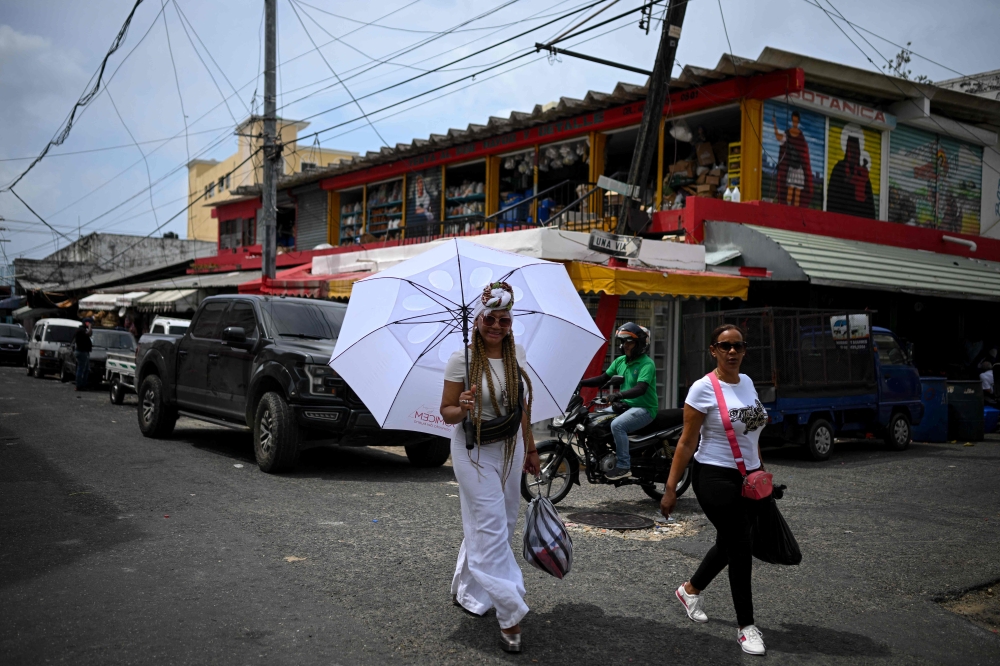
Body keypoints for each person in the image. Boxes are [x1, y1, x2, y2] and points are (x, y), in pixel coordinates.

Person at [439, 282, 539, 654]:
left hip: (510, 448)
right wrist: (462, 405)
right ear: (478, 321)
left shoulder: (519, 357)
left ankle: (468, 592)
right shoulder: (459, 360)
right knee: (490, 525)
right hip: (472, 449)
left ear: (511, 324)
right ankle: (509, 612)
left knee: (502, 520)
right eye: (490, 319)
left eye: (504, 320)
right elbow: (446, 410)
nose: (497, 326)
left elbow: (522, 408)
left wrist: (530, 447)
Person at [660, 324, 769, 656]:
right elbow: (686, 441)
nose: (732, 352)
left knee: (730, 542)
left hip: (749, 478)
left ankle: (690, 590)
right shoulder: (702, 388)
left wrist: (760, 469)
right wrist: (670, 488)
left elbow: (752, 433)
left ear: (744, 350)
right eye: (725, 346)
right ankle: (746, 626)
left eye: (738, 346)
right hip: (713, 476)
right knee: (740, 544)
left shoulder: (748, 383)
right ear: (713, 351)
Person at [578, 323, 658, 480]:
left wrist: (618, 395)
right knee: (592, 420)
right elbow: (603, 378)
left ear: (640, 344)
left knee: (617, 425)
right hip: (625, 406)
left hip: (644, 408)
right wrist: (581, 382)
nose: (625, 346)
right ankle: (601, 455)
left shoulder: (647, 364)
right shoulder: (621, 361)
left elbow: (641, 388)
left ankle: (623, 465)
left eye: (629, 342)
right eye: (623, 342)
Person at [773, 110, 814, 208]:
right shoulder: (787, 133)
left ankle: (796, 212)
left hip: (799, 168)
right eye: (793, 121)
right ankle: (788, 209)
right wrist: (774, 124)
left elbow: (804, 154)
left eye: (796, 121)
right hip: (791, 167)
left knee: (798, 192)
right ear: (792, 120)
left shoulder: (801, 136)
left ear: (798, 122)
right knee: (790, 190)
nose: (795, 123)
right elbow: (779, 138)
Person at [73, 320, 93, 391]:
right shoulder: (81, 330)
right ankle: (79, 385)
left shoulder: (81, 330)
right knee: (81, 369)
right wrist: (90, 327)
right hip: (82, 351)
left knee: (86, 369)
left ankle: (83, 384)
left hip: (83, 352)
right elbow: (89, 333)